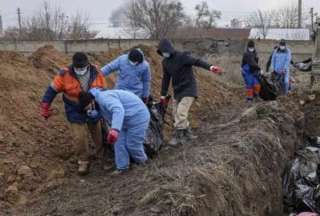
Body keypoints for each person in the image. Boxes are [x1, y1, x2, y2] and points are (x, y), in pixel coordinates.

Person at [40, 52, 106, 175]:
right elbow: (52, 90)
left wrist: (97, 103)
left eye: (82, 67)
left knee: (97, 133)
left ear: (87, 64)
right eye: (78, 68)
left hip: (92, 105)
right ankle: (83, 161)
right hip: (74, 107)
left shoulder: (96, 71)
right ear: (73, 65)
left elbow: (103, 88)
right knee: (79, 137)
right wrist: (45, 105)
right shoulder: (65, 73)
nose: (80, 70)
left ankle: (102, 156)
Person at [157, 38, 223, 146]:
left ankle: (177, 136)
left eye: (165, 51)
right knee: (175, 114)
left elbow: (197, 61)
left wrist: (211, 67)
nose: (164, 53)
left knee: (181, 112)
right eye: (162, 51)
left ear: (169, 49)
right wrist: (163, 96)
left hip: (189, 88)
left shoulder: (182, 57)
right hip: (177, 90)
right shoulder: (165, 62)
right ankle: (187, 133)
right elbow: (166, 79)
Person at [79, 88, 150, 174]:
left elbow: (118, 110)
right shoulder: (98, 104)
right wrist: (96, 114)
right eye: (87, 110)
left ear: (92, 101)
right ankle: (122, 168)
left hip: (138, 116)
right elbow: (108, 113)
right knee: (118, 143)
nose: (89, 110)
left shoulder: (104, 98)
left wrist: (115, 130)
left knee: (132, 144)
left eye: (89, 108)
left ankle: (144, 163)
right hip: (124, 120)